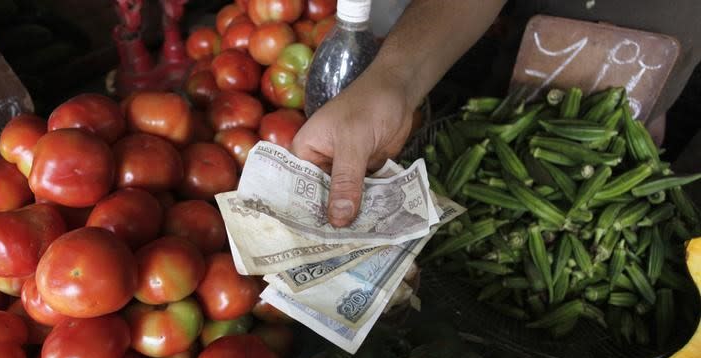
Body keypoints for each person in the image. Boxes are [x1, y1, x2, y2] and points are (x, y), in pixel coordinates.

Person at [291, 0, 701, 227]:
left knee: (637, 139)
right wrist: (394, 79)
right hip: (517, 79)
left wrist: (650, 103)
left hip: (654, 71)